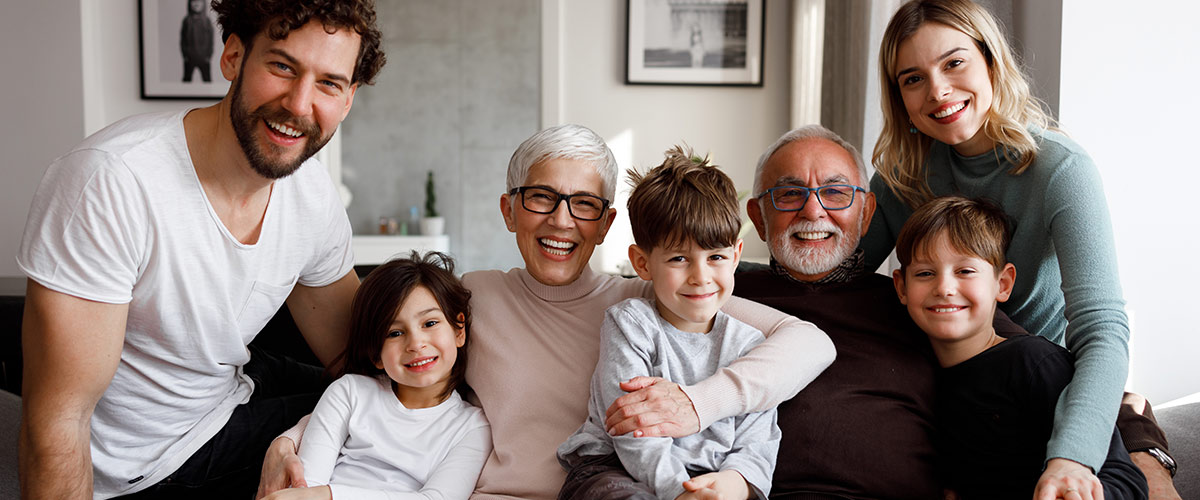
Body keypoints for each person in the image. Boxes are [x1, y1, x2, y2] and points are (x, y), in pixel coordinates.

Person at [258, 124, 835, 500]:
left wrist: (696, 403)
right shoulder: (469, 297)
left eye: (584, 205)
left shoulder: (649, 299)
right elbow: (390, 370)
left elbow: (811, 343)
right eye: (541, 198)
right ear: (510, 210)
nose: (562, 221)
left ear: (607, 226)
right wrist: (292, 438)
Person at [16, 0, 386, 497]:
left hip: (229, 395)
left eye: (328, 83)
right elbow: (60, 420)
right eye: (282, 66)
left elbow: (359, 356)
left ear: (347, 99)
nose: (299, 105)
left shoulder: (310, 193)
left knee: (408, 412)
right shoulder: (111, 182)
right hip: (145, 466)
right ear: (232, 57)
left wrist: (295, 436)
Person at [863, 0, 1179, 497]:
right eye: (913, 78)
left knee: (1145, 479)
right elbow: (835, 279)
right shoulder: (900, 178)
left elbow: (1101, 327)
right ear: (899, 96)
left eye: (954, 63)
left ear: (991, 61)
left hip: (1052, 390)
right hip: (961, 395)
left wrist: (1071, 457)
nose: (939, 90)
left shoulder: (1061, 169)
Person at [558, 147, 782, 500]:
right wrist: (678, 492)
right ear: (643, 263)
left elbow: (759, 440)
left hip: (713, 475)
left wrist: (733, 484)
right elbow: (631, 428)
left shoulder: (750, 345)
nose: (701, 277)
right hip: (617, 467)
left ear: (736, 256)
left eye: (716, 257)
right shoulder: (630, 324)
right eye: (679, 258)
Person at [740, 124, 949, 498]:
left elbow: (1018, 361)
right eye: (789, 194)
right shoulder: (717, 298)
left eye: (835, 192)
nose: (813, 211)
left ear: (867, 213)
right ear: (758, 217)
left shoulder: (918, 300)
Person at [891, 196, 1147, 499]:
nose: (944, 288)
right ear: (902, 287)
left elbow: (1126, 478)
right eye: (924, 273)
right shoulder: (913, 375)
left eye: (965, 271)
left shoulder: (1033, 362)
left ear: (1003, 284)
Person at [280, 252, 490, 500]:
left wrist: (329, 495)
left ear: (458, 330)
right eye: (394, 333)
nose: (415, 344)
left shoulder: (473, 426)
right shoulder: (349, 392)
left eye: (430, 323)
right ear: (376, 354)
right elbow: (305, 487)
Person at [181, 0, 214, 83]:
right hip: (190, 58)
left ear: (203, 4)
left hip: (204, 58)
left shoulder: (207, 21)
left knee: (207, 80)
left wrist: (208, 56)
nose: (196, 4)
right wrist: (185, 55)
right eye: (194, 1)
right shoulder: (187, 21)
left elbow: (210, 41)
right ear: (189, 3)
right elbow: (183, 40)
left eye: (199, 1)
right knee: (186, 80)